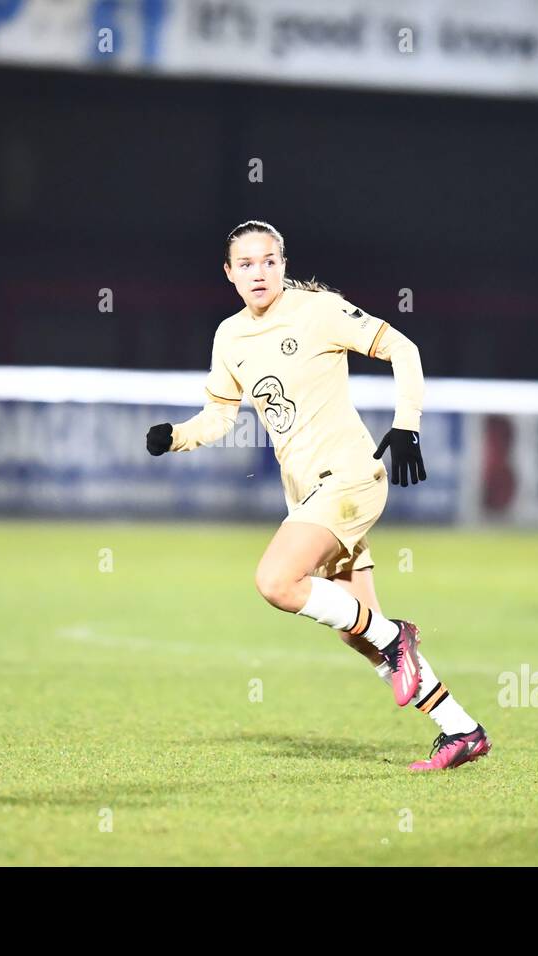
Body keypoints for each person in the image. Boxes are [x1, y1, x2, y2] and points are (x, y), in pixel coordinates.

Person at [146, 220, 490, 771]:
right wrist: (177, 437)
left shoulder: (319, 310)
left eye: (269, 261)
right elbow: (219, 415)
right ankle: (461, 728)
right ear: (229, 274)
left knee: (276, 581)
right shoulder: (230, 336)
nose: (259, 272)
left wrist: (407, 425)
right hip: (310, 496)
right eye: (247, 264)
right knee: (359, 633)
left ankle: (396, 634)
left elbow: (404, 348)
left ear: (283, 264)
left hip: (351, 478)